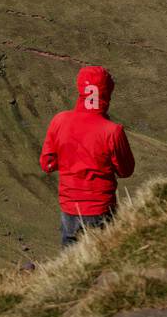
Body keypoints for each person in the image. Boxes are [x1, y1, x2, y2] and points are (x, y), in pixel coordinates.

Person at [40, 65, 135, 247]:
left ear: (81, 89)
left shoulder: (60, 121)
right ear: (107, 93)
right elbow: (126, 171)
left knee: (70, 261)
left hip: (69, 206)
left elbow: (47, 164)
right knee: (100, 255)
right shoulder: (113, 131)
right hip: (100, 208)